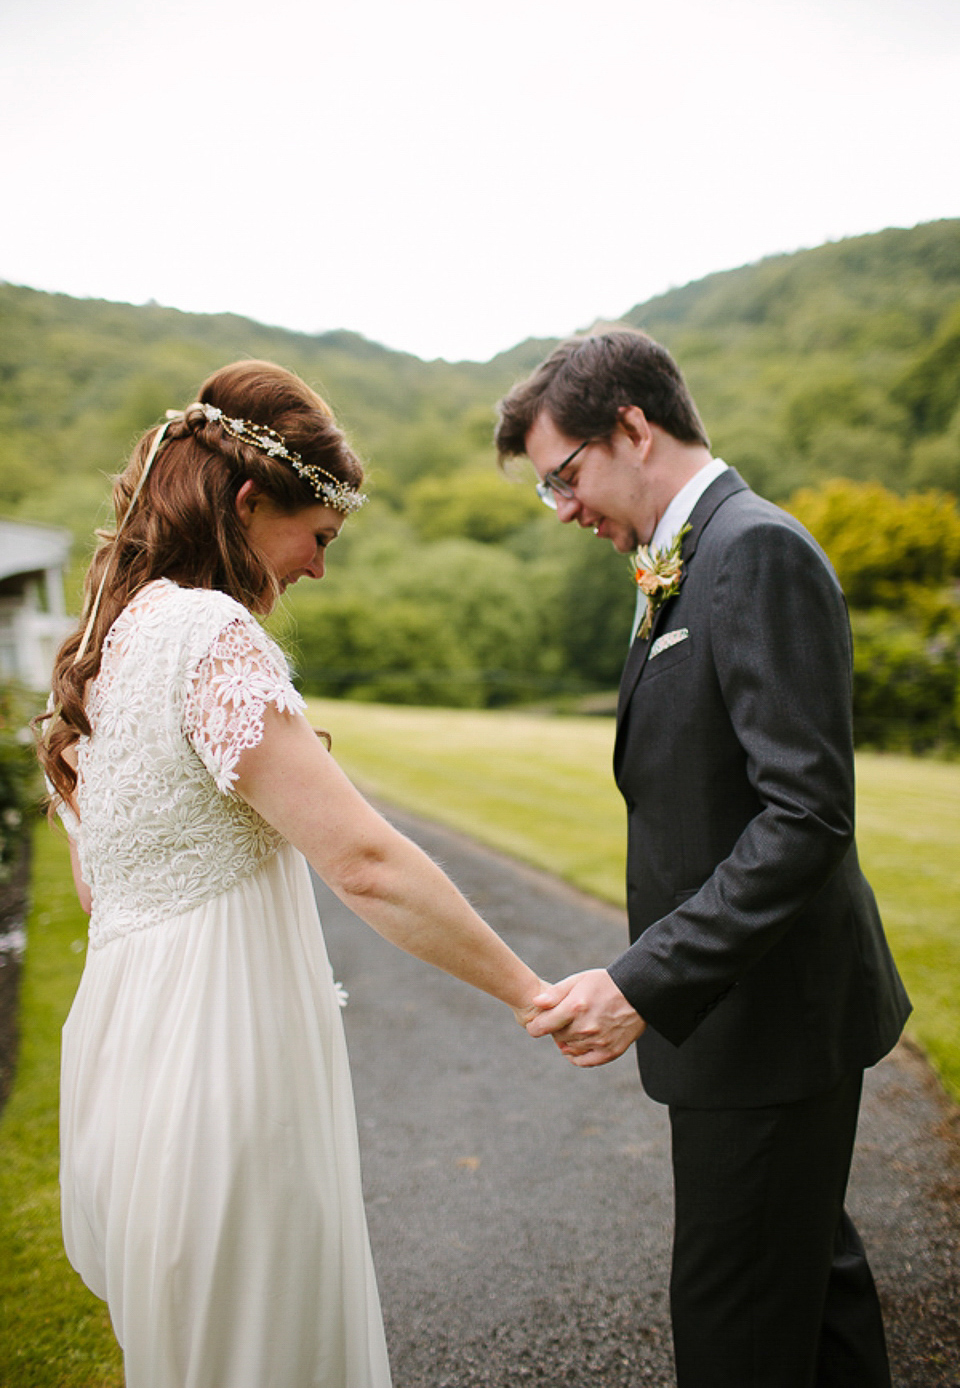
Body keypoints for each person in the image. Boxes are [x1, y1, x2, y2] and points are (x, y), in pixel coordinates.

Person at [37, 359, 548, 1388]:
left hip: (129, 1060)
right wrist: (531, 993)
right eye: (318, 539)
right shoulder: (211, 638)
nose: (320, 570)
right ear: (247, 500)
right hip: (225, 1069)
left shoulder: (101, 653)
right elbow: (363, 862)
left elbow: (106, 888)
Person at [494, 330, 911, 1388]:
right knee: (811, 1306)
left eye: (565, 476)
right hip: (745, 1027)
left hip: (770, 1027)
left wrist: (642, 983)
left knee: (734, 1328)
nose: (565, 509)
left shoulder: (752, 548)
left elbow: (804, 817)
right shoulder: (679, 559)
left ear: (632, 427)